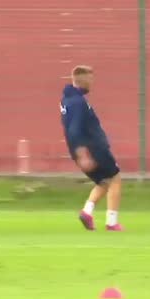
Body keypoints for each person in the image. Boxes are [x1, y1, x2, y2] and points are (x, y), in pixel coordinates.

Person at [60, 65, 123, 231]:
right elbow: (74, 129)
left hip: (81, 149)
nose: (92, 83)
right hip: (93, 148)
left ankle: (87, 212)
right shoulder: (78, 102)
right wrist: (83, 154)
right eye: (91, 79)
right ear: (84, 80)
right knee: (115, 177)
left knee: (103, 181)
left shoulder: (67, 100)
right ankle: (112, 222)